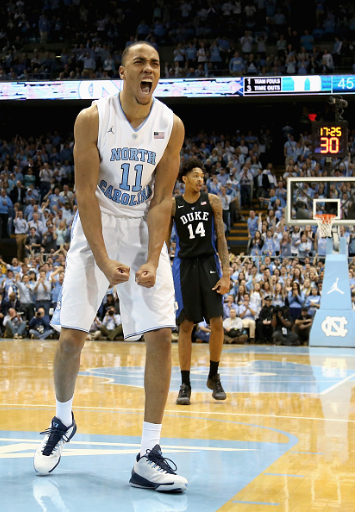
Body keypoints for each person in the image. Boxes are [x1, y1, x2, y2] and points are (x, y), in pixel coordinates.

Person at [33, 41, 188, 493]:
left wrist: (155, 257)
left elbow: (162, 199)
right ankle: (63, 420)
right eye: (140, 62)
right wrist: (101, 259)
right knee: (70, 339)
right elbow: (84, 194)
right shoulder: (92, 119)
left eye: (155, 64)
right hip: (95, 227)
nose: (149, 69)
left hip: (142, 230)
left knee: (161, 334)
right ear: (122, 71)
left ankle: (148, 454)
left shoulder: (170, 125)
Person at [168, 157, 230, 406]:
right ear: (183, 178)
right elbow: (164, 241)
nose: (200, 179)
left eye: (202, 176)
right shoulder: (174, 205)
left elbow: (222, 238)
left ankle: (214, 376)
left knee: (217, 322)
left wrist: (226, 273)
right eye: (195, 175)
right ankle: (185, 383)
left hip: (209, 264)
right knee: (186, 325)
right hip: (184, 266)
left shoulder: (212, 201)